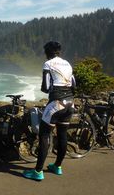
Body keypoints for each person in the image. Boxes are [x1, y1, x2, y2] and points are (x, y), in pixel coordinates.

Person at [23, 41, 76, 181]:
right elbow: (74, 84)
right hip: (70, 104)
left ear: (48, 52)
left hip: (56, 104)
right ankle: (57, 166)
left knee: (44, 135)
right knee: (63, 135)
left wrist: (51, 89)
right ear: (59, 51)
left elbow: (46, 87)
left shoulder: (48, 64)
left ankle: (38, 171)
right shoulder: (68, 64)